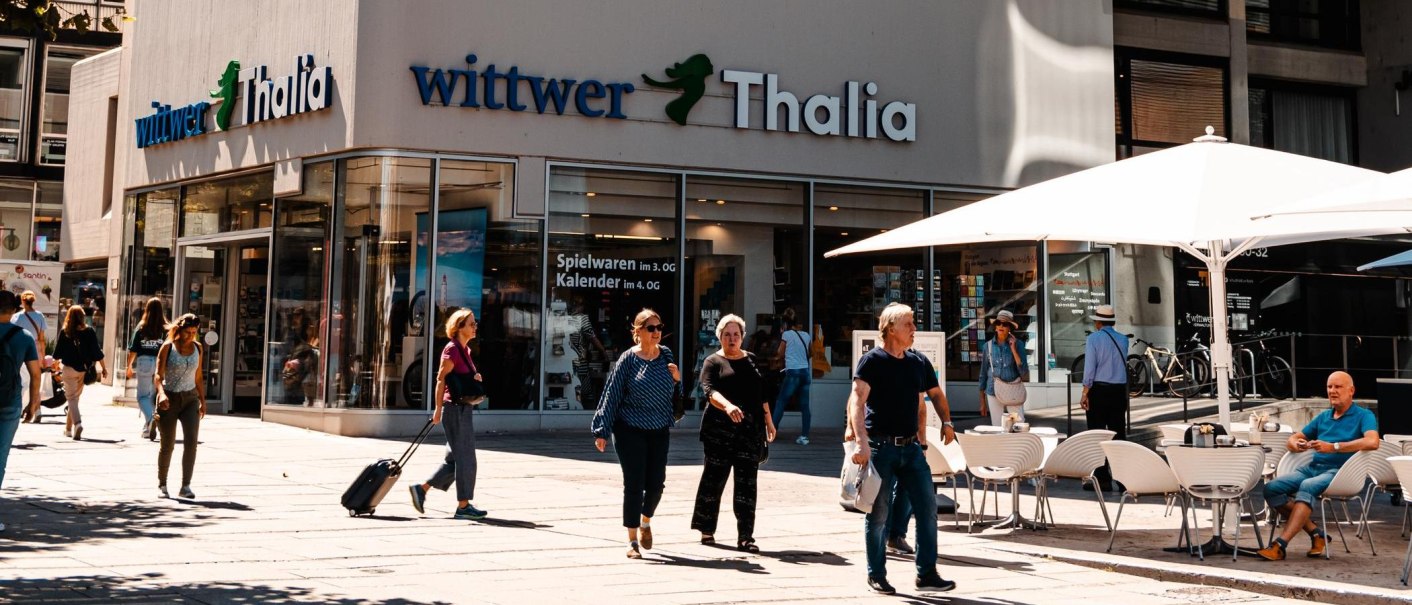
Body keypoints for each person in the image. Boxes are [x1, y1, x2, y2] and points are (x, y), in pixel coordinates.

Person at [847, 302, 957, 594]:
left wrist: (947, 421)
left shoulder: (918, 362)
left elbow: (934, 395)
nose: (914, 329)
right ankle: (877, 574)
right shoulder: (872, 361)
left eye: (913, 323)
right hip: (881, 447)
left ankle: (927, 573)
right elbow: (857, 402)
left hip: (911, 449)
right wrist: (860, 442)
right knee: (878, 513)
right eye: (908, 324)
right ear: (891, 328)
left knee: (927, 509)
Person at [1257, 371, 1378, 561]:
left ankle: (1280, 545)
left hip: (1340, 473)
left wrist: (1334, 447)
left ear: (1351, 390)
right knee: (1271, 489)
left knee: (1307, 486)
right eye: (1330, 387)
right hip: (1312, 468)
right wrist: (1296, 444)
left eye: (1338, 387)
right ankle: (1316, 533)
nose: (1332, 391)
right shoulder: (1323, 417)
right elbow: (1294, 437)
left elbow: (1372, 442)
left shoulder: (1364, 415)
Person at [591, 308, 681, 559]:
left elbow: (676, 395)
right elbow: (612, 394)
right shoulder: (628, 359)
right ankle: (632, 541)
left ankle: (645, 521)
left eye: (659, 328)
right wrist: (601, 429)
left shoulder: (666, 356)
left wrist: (677, 379)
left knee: (656, 485)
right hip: (629, 427)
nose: (656, 333)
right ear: (638, 332)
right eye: (650, 328)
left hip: (659, 427)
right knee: (633, 484)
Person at [690, 313, 776, 552]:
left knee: (747, 484)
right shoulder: (713, 362)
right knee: (713, 480)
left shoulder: (752, 360)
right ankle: (707, 530)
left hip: (750, 431)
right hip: (719, 432)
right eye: (727, 335)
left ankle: (746, 537)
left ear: (742, 336)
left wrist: (768, 420)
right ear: (720, 337)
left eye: (736, 334)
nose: (732, 339)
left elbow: (762, 393)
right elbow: (709, 391)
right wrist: (727, 406)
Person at [408, 309, 489, 521]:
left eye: (475, 323)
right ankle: (463, 506)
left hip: (463, 408)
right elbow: (440, 379)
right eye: (471, 324)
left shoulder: (465, 350)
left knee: (454, 461)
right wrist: (437, 409)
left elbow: (462, 378)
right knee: (467, 459)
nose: (475, 327)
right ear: (459, 327)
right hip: (454, 409)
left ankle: (421, 490)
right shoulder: (452, 350)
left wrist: (475, 377)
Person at [0, 290, 41, 531]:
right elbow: (36, 374)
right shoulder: (24, 336)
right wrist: (33, 403)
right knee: (1, 457)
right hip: (9, 402)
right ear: (14, 310)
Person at [154, 313, 205, 499]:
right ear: (179, 330)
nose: (190, 336)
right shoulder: (168, 347)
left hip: (190, 399)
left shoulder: (198, 348)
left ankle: (186, 486)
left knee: (191, 442)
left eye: (194, 332)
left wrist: (202, 401)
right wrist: (161, 394)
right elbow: (158, 375)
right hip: (170, 399)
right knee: (168, 444)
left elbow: (198, 376)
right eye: (187, 332)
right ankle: (162, 483)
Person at [1080, 304, 1128, 492]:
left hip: (1099, 390)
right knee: (1118, 435)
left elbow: (1090, 367)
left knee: (1097, 435)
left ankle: (1102, 479)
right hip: (1118, 391)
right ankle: (1122, 477)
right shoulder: (1123, 339)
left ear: (1098, 322)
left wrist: (1085, 392)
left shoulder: (1093, 339)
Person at [53, 305, 107, 441]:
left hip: (68, 369)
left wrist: (54, 365)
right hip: (83, 370)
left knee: (71, 399)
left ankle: (77, 424)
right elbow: (97, 352)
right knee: (74, 399)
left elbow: (58, 353)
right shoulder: (89, 331)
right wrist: (104, 368)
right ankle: (68, 429)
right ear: (82, 316)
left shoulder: (65, 331)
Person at [126, 297, 167, 440]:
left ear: (147, 310)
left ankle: (151, 419)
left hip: (144, 362)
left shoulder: (142, 326)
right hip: (160, 364)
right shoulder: (166, 328)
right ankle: (147, 428)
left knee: (142, 397)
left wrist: (129, 366)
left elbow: (133, 349)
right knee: (153, 397)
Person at [978, 309, 1028, 422]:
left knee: (1018, 424)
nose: (1001, 326)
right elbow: (983, 374)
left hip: (1013, 390)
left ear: (1009, 328)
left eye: (1005, 324)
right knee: (997, 426)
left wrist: (1013, 350)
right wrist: (982, 402)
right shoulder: (988, 346)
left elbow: (1023, 371)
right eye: (998, 323)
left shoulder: (1018, 344)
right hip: (993, 390)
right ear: (995, 326)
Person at [773, 309, 812, 445]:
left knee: (781, 402)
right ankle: (805, 436)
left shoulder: (787, 335)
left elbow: (779, 352)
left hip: (793, 372)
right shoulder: (807, 336)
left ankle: (772, 432)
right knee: (805, 406)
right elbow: (810, 353)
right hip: (805, 373)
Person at [14, 291, 46, 423]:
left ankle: (19, 408)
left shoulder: (17, 317)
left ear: (22, 301)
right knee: (35, 381)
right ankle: (37, 410)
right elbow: (42, 339)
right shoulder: (40, 316)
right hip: (36, 351)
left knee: (23, 381)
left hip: (20, 351)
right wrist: (43, 356)